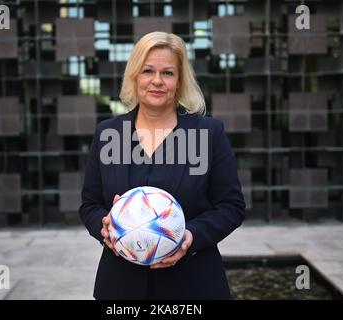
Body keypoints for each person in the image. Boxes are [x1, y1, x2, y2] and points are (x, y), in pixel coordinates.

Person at [79, 31, 245, 300]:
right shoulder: (109, 134)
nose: (157, 81)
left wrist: (190, 236)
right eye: (148, 71)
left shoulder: (207, 133)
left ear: (179, 81)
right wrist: (105, 226)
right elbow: (90, 204)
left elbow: (231, 207)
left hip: (193, 286)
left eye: (168, 73)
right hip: (121, 288)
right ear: (135, 75)